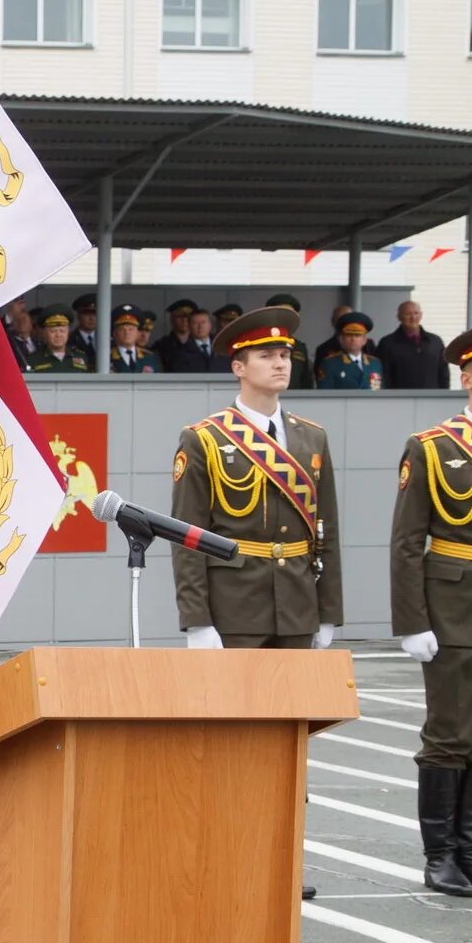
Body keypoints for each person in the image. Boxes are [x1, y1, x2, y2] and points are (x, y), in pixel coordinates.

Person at [170, 305, 340, 901]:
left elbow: (327, 531)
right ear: (237, 365)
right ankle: (224, 856)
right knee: (231, 743)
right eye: (266, 355)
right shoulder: (205, 439)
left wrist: (329, 612)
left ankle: (283, 862)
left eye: (286, 355)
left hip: (295, 605)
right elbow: (187, 540)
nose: (280, 363)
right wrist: (197, 622)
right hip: (234, 608)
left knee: (290, 744)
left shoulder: (311, 438)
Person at [390, 321, 472, 898]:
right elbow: (408, 541)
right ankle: (439, 855)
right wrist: (412, 621)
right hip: (455, 608)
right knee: (448, 735)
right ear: (467, 378)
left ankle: (471, 851)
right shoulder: (434, 446)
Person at [378, 301, 449, 391]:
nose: (413, 318)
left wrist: (444, 396)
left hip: (431, 398)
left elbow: (444, 373)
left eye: (416, 313)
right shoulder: (387, 343)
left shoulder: (435, 342)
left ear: (421, 315)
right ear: (399, 317)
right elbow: (383, 376)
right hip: (399, 399)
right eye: (408, 314)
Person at [316, 312, 384, 390]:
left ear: (365, 340)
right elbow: (324, 395)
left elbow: (380, 393)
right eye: (349, 335)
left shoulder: (375, 364)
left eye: (357, 335)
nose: (353, 339)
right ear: (341, 339)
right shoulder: (330, 364)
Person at [266, 293, 317, 390]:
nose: (285, 319)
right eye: (281, 314)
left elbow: (306, 383)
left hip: (295, 401)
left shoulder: (299, 347)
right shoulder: (257, 344)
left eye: (290, 315)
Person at [26, 306, 88, 372]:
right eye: (53, 331)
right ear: (45, 333)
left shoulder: (81, 357)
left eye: (62, 331)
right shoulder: (33, 359)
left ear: (68, 333)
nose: (58, 335)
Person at [108, 304, 160, 373]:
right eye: (122, 329)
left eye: (131, 329)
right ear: (114, 333)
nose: (127, 333)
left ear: (138, 333)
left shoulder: (150, 358)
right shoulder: (106, 357)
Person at [163, 309, 216, 373]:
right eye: (195, 323)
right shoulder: (179, 355)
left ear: (210, 325)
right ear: (189, 326)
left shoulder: (222, 350)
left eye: (203, 322)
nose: (200, 326)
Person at [66, 292, 98, 359]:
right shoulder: (68, 340)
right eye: (86, 314)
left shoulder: (107, 340)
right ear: (78, 315)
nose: (91, 318)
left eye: (95, 314)